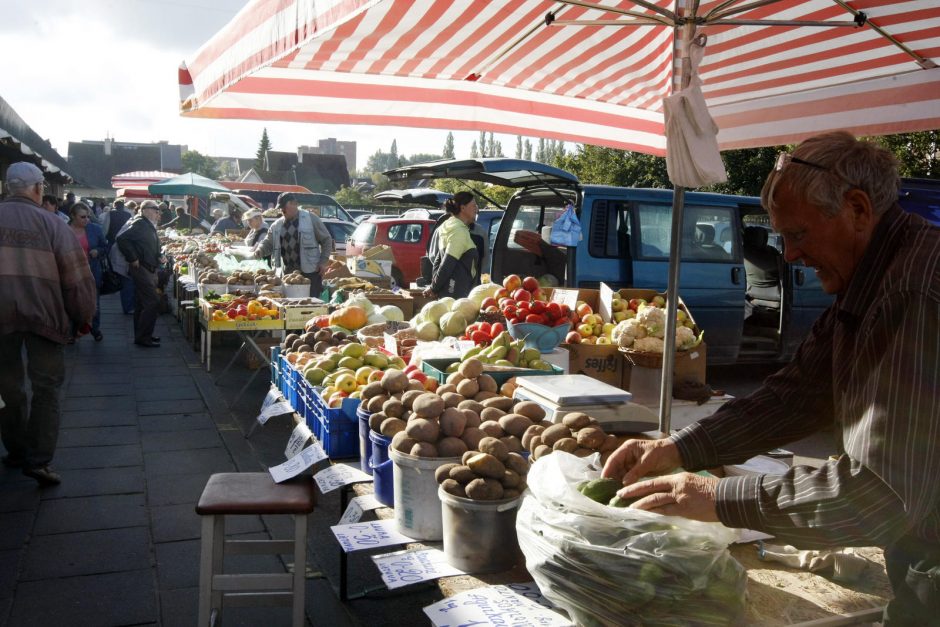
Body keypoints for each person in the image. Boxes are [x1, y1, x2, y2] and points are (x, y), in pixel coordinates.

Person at [602, 131, 940, 625]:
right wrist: (681, 447)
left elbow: (879, 495)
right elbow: (796, 395)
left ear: (859, 210)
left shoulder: (909, 292)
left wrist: (718, 497)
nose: (789, 257)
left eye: (798, 235)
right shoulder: (872, 276)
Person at [0, 162, 96, 486]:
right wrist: (83, 316)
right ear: (39, 189)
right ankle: (38, 460)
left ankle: (15, 450)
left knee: (7, 388)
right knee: (46, 388)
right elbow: (76, 277)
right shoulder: (53, 225)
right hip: (44, 318)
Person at [251, 192, 333, 297]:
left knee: (311, 302)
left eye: (284, 207)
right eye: (280, 208)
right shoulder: (277, 225)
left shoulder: (311, 218)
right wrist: (260, 250)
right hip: (288, 273)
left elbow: (326, 239)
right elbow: (268, 242)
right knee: (290, 303)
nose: (282, 211)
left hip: (310, 271)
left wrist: (323, 261)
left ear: (294, 204)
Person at [116, 200, 165, 347]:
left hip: (148, 266)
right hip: (142, 268)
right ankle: (143, 337)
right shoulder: (140, 224)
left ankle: (143, 335)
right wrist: (132, 258)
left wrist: (158, 255)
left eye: (158, 210)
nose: (158, 212)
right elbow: (122, 239)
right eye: (155, 209)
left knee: (141, 303)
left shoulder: (147, 224)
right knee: (152, 302)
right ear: (144, 210)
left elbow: (149, 244)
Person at [423, 191, 480, 299]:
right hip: (456, 293)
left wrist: (436, 287)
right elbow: (447, 262)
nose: (476, 209)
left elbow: (438, 261)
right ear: (463, 208)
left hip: (447, 292)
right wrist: (434, 288)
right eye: (473, 206)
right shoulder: (458, 231)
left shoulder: (447, 226)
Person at [67, 202, 107, 341]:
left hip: (91, 271)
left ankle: (95, 329)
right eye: (83, 217)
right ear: (72, 216)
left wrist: (98, 251)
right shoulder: (64, 229)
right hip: (70, 272)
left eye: (88, 216)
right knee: (71, 302)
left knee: (93, 302)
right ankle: (72, 331)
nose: (87, 220)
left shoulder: (94, 229)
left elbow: (104, 246)